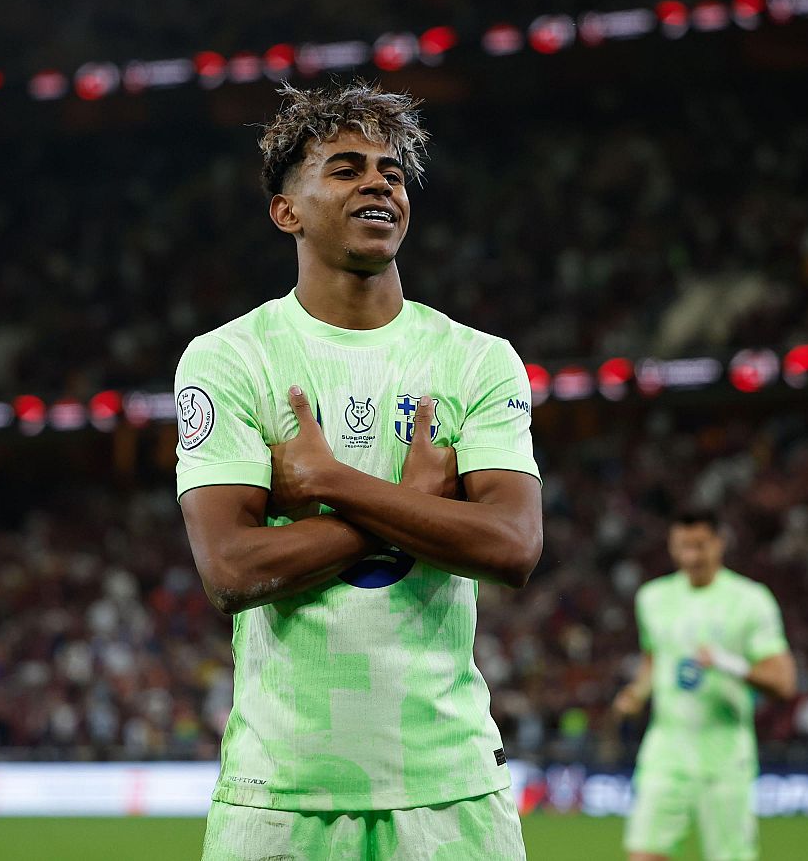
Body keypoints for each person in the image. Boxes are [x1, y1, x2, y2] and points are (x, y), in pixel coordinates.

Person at [175, 82, 544, 861]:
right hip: (281, 798)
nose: (379, 182)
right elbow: (232, 569)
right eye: (345, 168)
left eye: (392, 172)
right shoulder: (230, 359)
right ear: (287, 211)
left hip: (453, 795)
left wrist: (335, 485)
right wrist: (412, 509)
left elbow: (511, 546)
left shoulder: (477, 361)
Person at [612, 510, 798, 861]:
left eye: (700, 546)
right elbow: (654, 656)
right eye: (684, 546)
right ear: (671, 546)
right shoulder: (652, 598)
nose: (692, 557)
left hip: (725, 753)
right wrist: (637, 692)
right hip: (666, 748)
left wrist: (730, 664)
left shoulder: (751, 600)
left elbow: (784, 682)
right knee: (644, 854)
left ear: (720, 543)